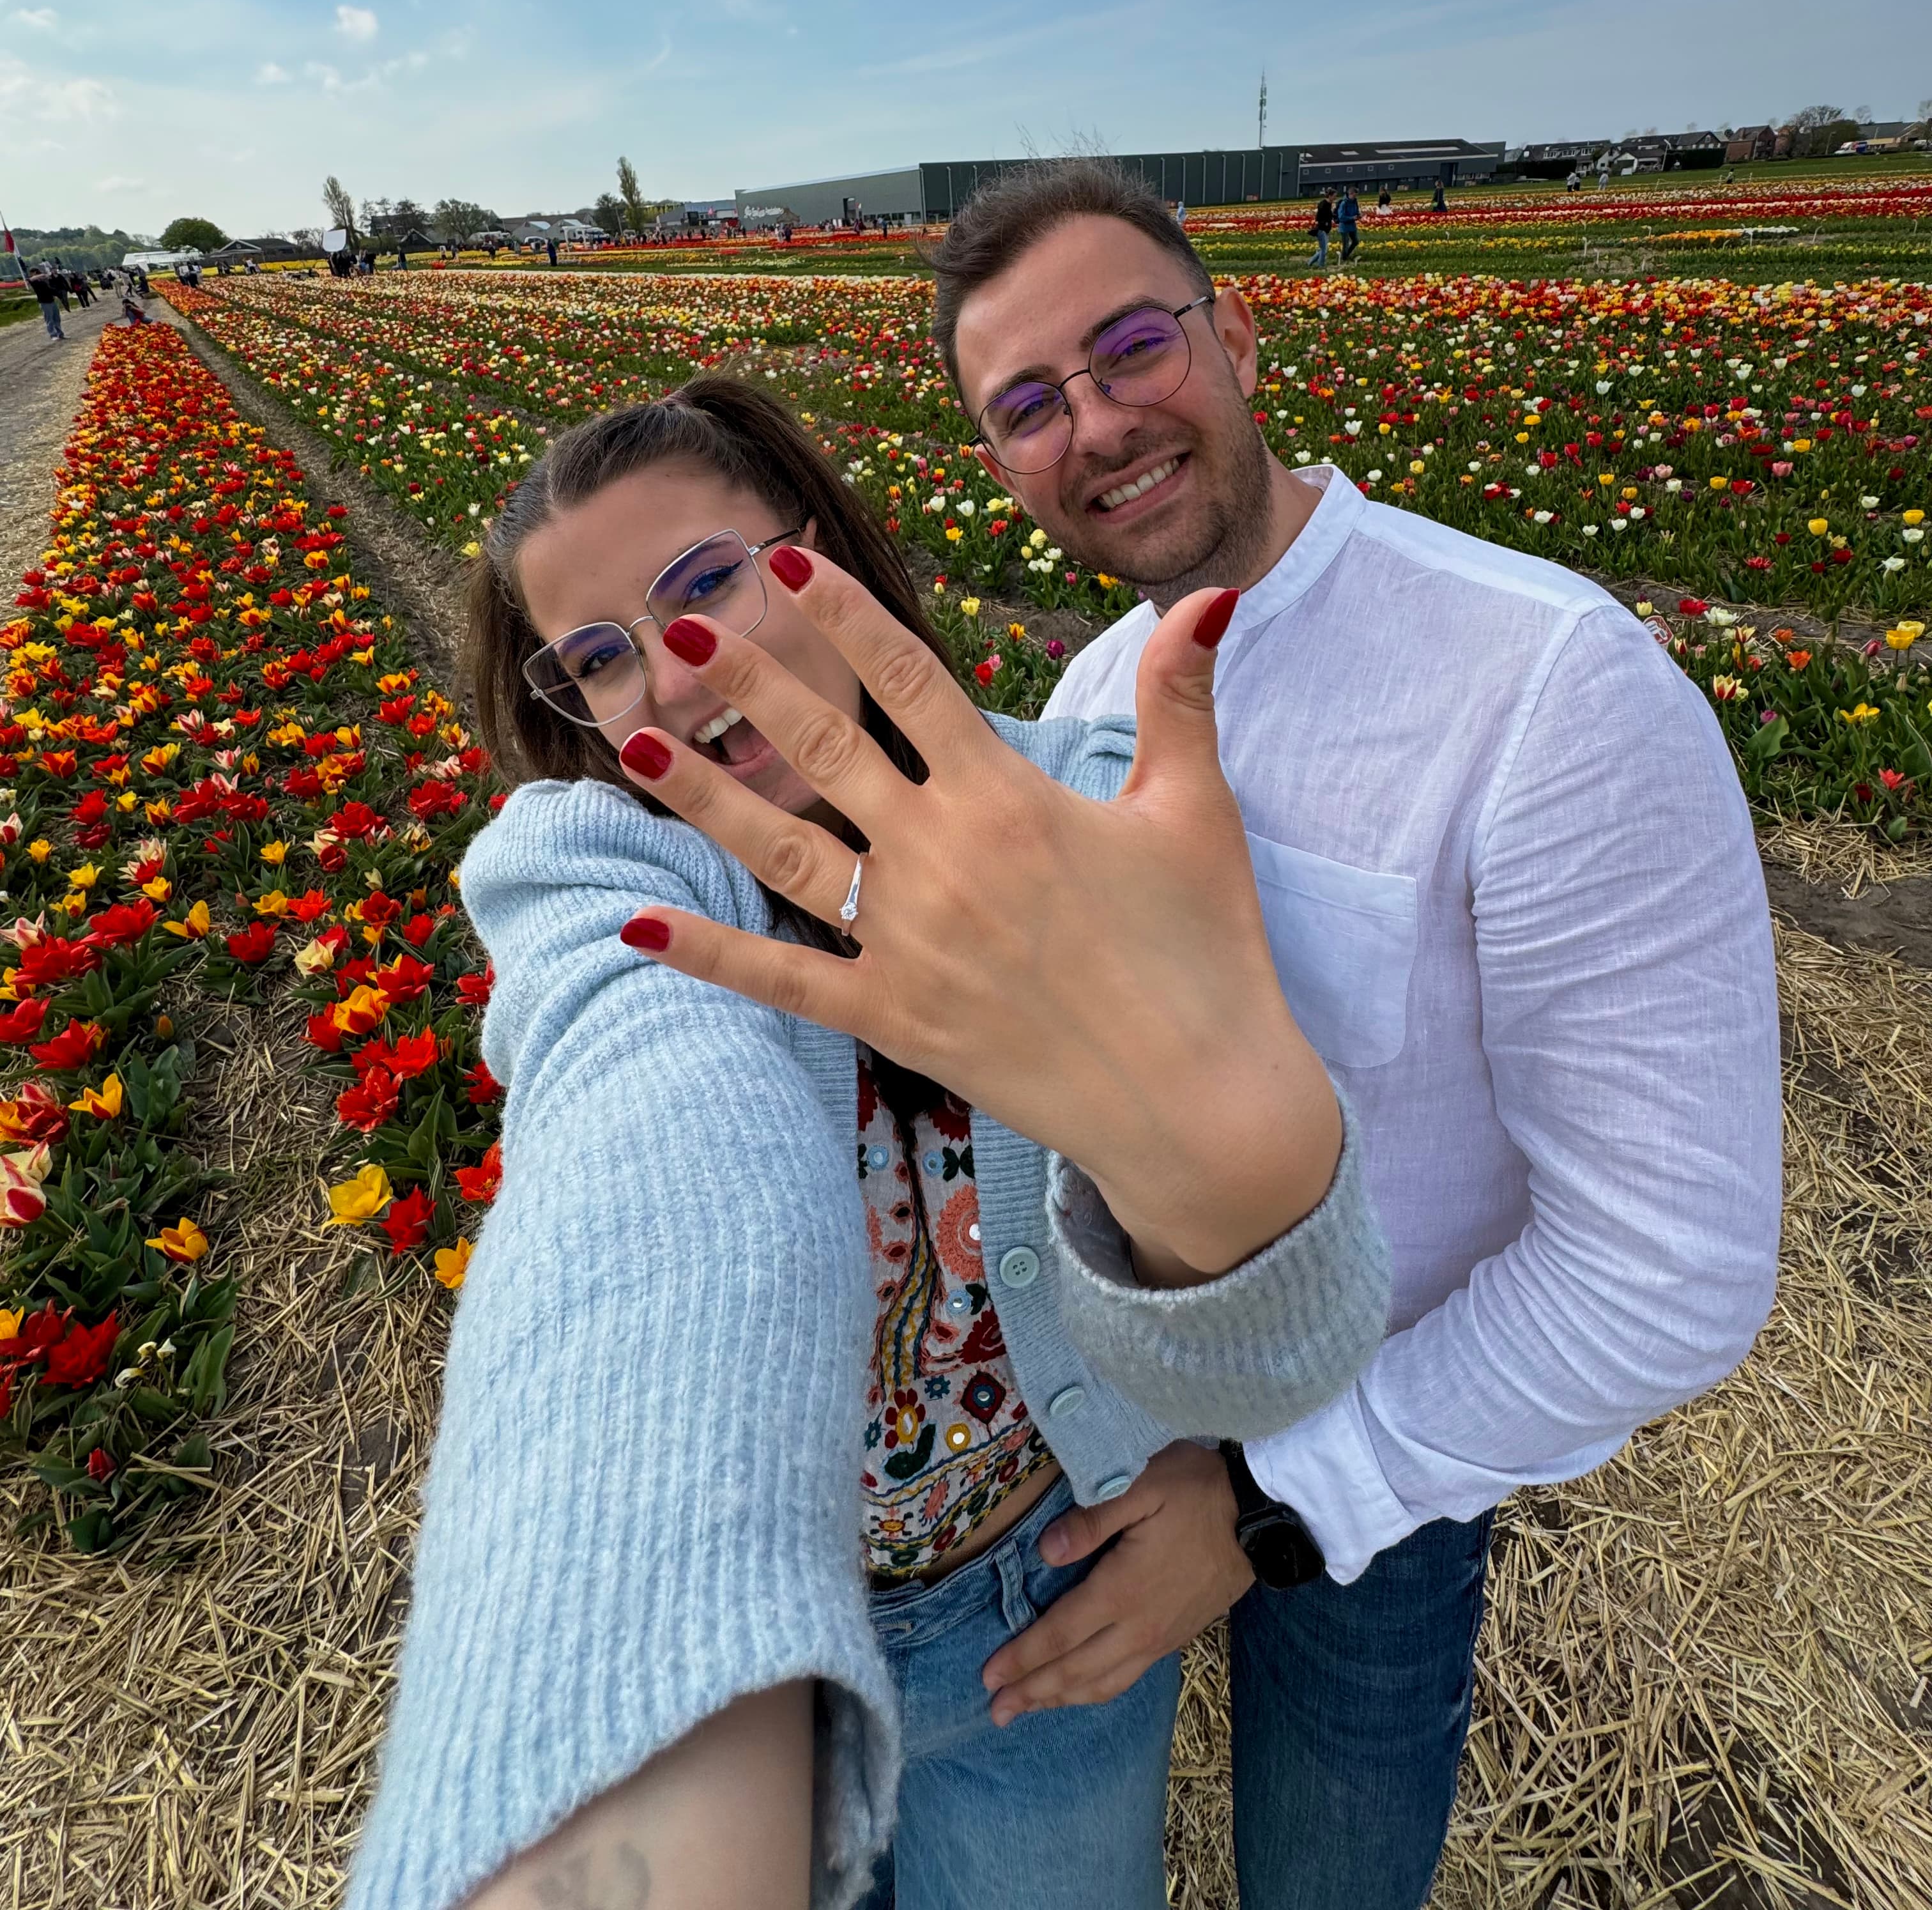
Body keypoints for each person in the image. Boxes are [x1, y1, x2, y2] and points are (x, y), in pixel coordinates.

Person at [348, 377, 1390, 1910]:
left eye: (706, 587)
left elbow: (1267, 1343)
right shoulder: (605, 897)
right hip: (783, 1622)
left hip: (1046, 1610)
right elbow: (652, 1212)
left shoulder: (1084, 817)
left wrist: (1245, 1452)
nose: (680, 678)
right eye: (599, 659)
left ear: (820, 548)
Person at [901, 158, 1781, 1910]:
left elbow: (1673, 1264)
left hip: (1393, 1446)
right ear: (1001, 466)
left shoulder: (1543, 688)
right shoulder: (1090, 700)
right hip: (1112, 1417)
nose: (1095, 422)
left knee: (1331, 1877)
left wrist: (1269, 1502)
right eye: (1027, 404)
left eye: (1130, 344)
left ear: (1237, 330)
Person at [28, 267, 64, 343]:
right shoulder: (34, 282)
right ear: (33, 273)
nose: (38, 273)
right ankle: (53, 335)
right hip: (44, 303)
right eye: (36, 272)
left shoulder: (43, 281)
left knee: (57, 319)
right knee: (49, 320)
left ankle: (60, 334)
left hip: (52, 301)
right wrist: (43, 275)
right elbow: (31, 279)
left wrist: (57, 295)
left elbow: (49, 289)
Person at [1306, 196, 1333, 270]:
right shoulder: (1324, 205)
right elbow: (1320, 217)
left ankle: (1310, 262)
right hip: (1322, 229)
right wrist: (1325, 223)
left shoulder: (1328, 204)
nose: (1335, 198)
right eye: (1334, 196)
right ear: (1330, 196)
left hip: (1325, 230)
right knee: (1324, 249)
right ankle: (1321, 265)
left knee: (1323, 249)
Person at [1335, 188, 1361, 264]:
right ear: (1350, 194)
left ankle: (1346, 255)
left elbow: (1356, 211)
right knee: (1346, 244)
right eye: (1354, 196)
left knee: (1356, 241)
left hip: (1352, 226)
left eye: (1356, 196)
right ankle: (1344, 259)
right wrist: (1352, 218)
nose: (1355, 197)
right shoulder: (1344, 203)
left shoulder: (1355, 202)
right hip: (1344, 227)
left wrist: (1358, 215)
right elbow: (1341, 217)